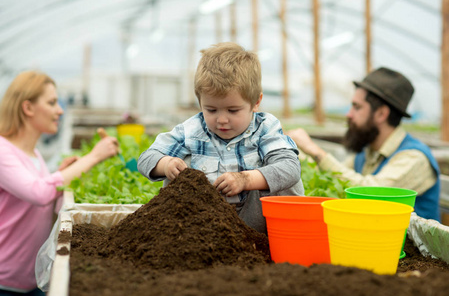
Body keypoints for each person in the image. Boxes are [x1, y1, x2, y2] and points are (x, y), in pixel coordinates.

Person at [138, 42, 304, 233]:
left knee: (284, 175)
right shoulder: (192, 129)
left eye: (233, 110)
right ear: (200, 102)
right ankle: (178, 236)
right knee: (180, 161)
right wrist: (166, 164)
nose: (222, 119)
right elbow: (145, 158)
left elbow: (290, 168)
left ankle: (286, 234)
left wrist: (245, 180)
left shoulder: (265, 127)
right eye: (211, 110)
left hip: (256, 222)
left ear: (256, 102)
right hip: (204, 222)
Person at [0, 71, 119, 295]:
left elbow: (41, 193)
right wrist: (92, 157)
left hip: (32, 280)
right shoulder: (2, 150)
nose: (60, 110)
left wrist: (61, 173)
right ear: (28, 108)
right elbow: (39, 193)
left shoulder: (33, 153)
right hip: (5, 284)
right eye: (52, 102)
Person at [287, 67, 441, 221]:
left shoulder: (414, 157)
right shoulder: (368, 152)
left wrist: (314, 150)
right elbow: (331, 178)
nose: (349, 114)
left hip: (409, 244)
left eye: (357, 107)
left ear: (381, 114)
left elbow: (370, 193)